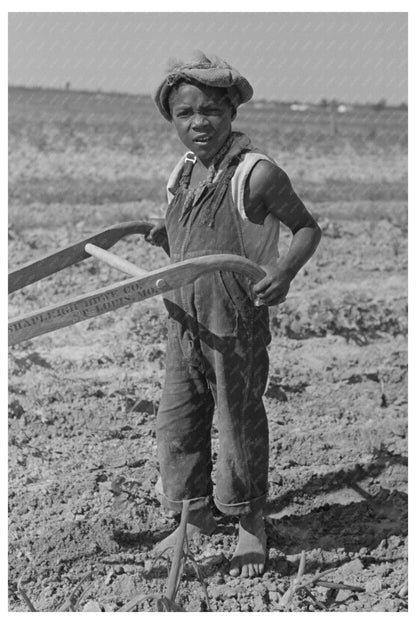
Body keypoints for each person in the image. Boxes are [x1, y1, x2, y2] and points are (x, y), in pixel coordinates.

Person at [146, 51, 321, 578]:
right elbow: (189, 235)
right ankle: (193, 514)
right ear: (172, 118)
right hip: (184, 318)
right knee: (178, 418)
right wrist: (164, 236)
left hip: (234, 320)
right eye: (185, 114)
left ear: (232, 114)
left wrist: (285, 271)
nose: (199, 123)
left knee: (237, 420)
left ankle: (249, 522)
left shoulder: (256, 174)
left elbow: (307, 228)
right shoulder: (183, 172)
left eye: (212, 111)